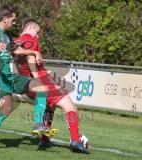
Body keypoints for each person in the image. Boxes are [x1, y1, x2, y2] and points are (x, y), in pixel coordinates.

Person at [0, 5, 56, 149]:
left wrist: (34, 52)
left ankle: (38, 124)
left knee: (42, 87)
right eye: (13, 19)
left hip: (10, 76)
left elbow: (16, 49)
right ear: (5, 19)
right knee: (6, 108)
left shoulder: (7, 35)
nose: (15, 22)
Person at [13, 18, 89, 154]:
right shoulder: (31, 38)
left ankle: (44, 139)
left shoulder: (16, 42)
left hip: (28, 85)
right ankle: (76, 140)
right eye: (37, 32)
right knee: (70, 107)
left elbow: (21, 61)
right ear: (30, 29)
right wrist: (38, 78)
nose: (37, 36)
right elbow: (31, 58)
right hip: (40, 81)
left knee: (50, 106)